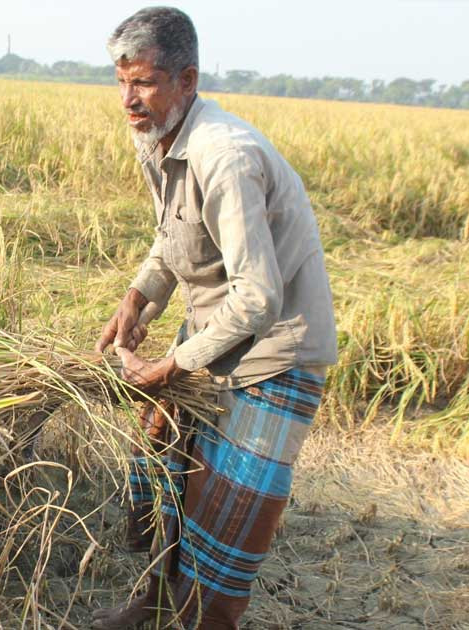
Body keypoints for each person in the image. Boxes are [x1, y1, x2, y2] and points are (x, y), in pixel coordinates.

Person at [91, 7, 338, 629]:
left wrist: (171, 364)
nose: (129, 99)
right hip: (212, 326)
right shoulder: (155, 135)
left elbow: (259, 298)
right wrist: (137, 298)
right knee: (168, 462)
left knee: (229, 502)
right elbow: (174, 235)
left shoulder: (224, 155)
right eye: (121, 81)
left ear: (187, 79)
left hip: (274, 348)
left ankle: (209, 620)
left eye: (144, 82)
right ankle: (154, 599)